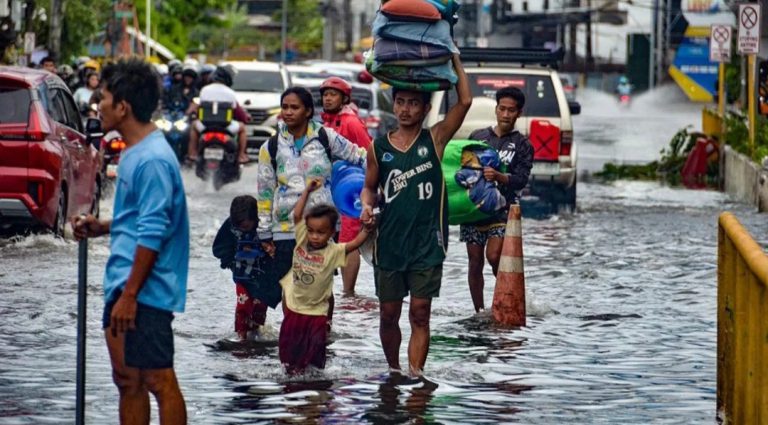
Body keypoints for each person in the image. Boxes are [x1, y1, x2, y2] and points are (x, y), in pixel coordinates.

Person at [71, 58, 188, 424]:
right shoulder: (136, 152)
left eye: (102, 98)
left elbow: (154, 232)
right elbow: (140, 219)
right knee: (127, 379)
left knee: (157, 379)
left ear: (123, 106)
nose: (98, 106)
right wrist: (102, 226)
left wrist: (130, 295)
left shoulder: (152, 159)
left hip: (143, 290)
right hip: (126, 283)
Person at [359, 54, 472, 377]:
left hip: (427, 242)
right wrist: (366, 207)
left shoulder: (434, 140)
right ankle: (394, 371)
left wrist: (455, 60)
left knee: (421, 314)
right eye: (400, 102)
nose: (405, 109)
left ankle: (415, 375)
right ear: (393, 106)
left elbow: (465, 101)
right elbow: (369, 188)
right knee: (388, 315)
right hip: (390, 243)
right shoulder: (378, 148)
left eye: (413, 103)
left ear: (425, 109)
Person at [256, 86, 367, 330]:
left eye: (294, 107)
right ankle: (293, 332)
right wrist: (264, 232)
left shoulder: (326, 137)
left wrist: (373, 188)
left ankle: (322, 333)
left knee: (322, 282)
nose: (288, 112)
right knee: (291, 283)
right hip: (286, 228)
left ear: (308, 111)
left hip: (322, 227)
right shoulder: (271, 147)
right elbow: (264, 193)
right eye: (285, 107)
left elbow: (361, 156)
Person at [279, 178, 370, 374]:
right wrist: (307, 191)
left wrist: (367, 227)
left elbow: (354, 244)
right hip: (295, 309)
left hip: (317, 314)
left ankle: (316, 390)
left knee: (315, 358)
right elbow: (297, 215)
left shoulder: (334, 251)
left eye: (321, 232)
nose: (314, 236)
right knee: (290, 357)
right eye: (311, 231)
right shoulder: (302, 239)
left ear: (331, 232)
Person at [462, 86, 533, 313]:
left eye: (511, 110)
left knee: (494, 256)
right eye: (502, 109)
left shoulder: (523, 145)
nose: (505, 114)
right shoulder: (478, 137)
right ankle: (479, 311)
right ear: (496, 109)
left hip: (503, 212)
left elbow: (522, 179)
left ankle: (507, 300)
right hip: (474, 209)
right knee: (474, 261)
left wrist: (500, 176)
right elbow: (463, 168)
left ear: (518, 113)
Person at [319, 76, 372, 296]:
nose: (328, 98)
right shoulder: (326, 121)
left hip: (351, 190)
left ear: (344, 98)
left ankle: (348, 293)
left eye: (333, 95)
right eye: (325, 95)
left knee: (349, 241)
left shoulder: (350, 122)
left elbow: (369, 153)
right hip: (332, 189)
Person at [212, 195, 279, 341]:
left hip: (264, 277)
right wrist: (229, 262)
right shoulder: (230, 226)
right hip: (243, 275)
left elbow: (278, 247)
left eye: (246, 226)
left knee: (259, 306)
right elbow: (219, 247)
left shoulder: (266, 226)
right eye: (239, 226)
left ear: (255, 218)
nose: (242, 229)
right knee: (243, 305)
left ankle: (255, 333)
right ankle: (241, 336)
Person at [187, 65, 250, 164]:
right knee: (242, 129)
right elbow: (237, 112)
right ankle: (241, 155)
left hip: (205, 126)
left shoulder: (204, 90)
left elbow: (200, 110)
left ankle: (192, 153)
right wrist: (245, 118)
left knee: (194, 126)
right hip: (226, 127)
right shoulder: (230, 93)